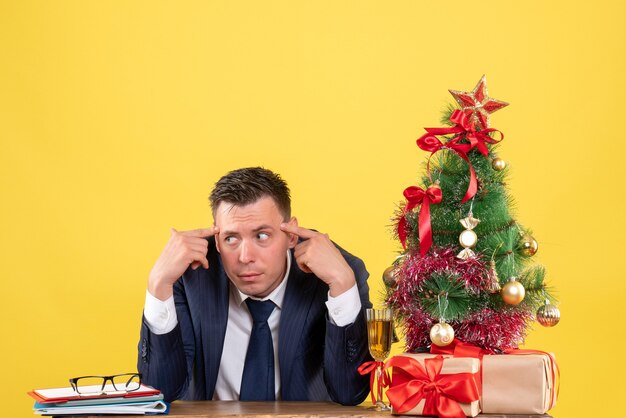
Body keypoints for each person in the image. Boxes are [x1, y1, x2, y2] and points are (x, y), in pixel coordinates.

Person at [138, 167, 372, 405]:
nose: (245, 257)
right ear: (217, 241)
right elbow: (160, 390)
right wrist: (158, 284)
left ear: (291, 235)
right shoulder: (189, 271)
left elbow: (350, 392)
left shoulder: (338, 273)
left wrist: (343, 284)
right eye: (231, 238)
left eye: (261, 236)